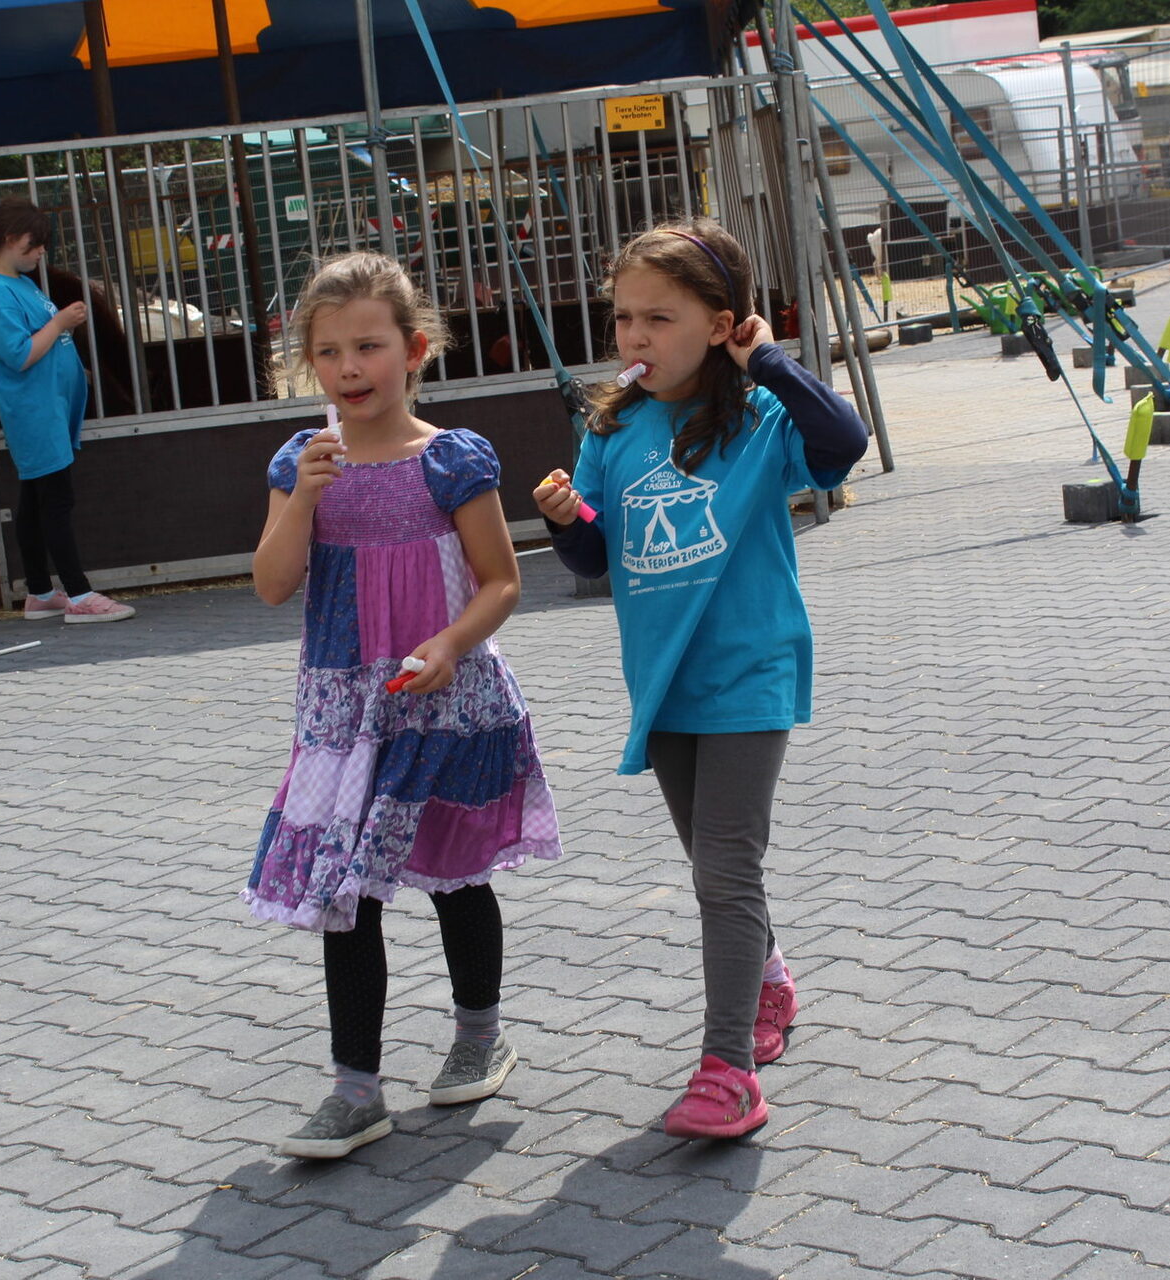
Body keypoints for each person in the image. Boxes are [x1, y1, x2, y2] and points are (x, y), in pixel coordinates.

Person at [533, 218, 866, 1140]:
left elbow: (843, 443)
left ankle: (728, 1072)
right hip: (662, 680)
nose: (634, 337)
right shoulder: (612, 426)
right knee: (712, 866)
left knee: (724, 870)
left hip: (749, 669)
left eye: (659, 318)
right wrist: (565, 518)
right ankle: (769, 980)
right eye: (623, 318)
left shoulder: (760, 417)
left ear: (721, 325)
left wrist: (771, 360)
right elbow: (596, 556)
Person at [248, 251, 562, 1159]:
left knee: (458, 877)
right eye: (329, 352)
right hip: (345, 712)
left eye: (369, 347)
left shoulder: (450, 460)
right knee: (344, 894)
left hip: (446, 700)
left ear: (414, 349)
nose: (349, 368)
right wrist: (302, 499)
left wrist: (451, 644)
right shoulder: (299, 462)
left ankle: (478, 1035)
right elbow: (272, 584)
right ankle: (356, 1089)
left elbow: (501, 581)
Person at [0, 199, 135, 623]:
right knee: (56, 501)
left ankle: (40, 591)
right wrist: (60, 323)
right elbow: (19, 354)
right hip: (35, 413)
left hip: (47, 409)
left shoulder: (18, 282)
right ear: (10, 239)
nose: (42, 251)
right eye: (36, 243)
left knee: (35, 500)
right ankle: (79, 595)